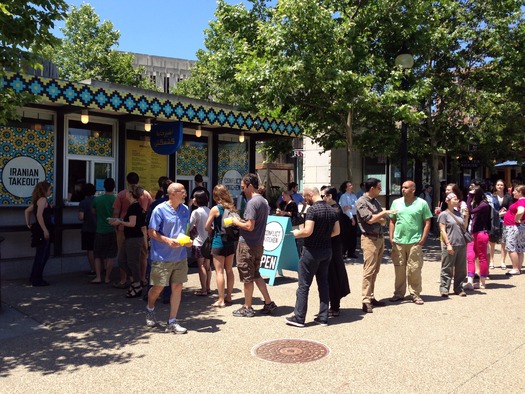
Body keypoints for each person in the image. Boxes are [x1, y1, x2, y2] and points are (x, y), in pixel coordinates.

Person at [285, 186, 340, 327]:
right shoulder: (331, 209)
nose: (304, 199)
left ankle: (299, 317)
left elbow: (308, 231)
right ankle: (323, 317)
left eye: (305, 196)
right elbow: (336, 231)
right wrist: (323, 236)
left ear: (310, 195)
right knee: (323, 284)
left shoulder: (312, 210)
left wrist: (297, 233)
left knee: (303, 285)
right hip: (327, 250)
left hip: (311, 251)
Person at [146, 182, 191, 334]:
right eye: (182, 191)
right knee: (158, 288)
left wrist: (188, 240)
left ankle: (172, 321)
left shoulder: (185, 210)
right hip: (162, 257)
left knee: (177, 287)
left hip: (180, 256)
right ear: (172, 193)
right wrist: (167, 240)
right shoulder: (159, 210)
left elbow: (185, 230)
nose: (185, 194)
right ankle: (150, 308)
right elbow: (151, 232)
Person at [231, 173, 277, 317]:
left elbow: (250, 226)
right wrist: (242, 221)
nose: (242, 190)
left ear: (250, 186)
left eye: (243, 187)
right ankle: (268, 302)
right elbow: (254, 224)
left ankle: (247, 307)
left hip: (248, 245)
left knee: (247, 277)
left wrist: (236, 222)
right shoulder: (263, 201)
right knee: (256, 274)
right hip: (258, 244)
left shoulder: (251, 203)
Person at [356, 178, 397, 313]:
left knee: (375, 270)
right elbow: (370, 219)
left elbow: (382, 221)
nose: (381, 190)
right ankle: (366, 300)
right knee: (369, 270)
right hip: (369, 239)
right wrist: (383, 214)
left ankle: (371, 296)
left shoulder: (375, 202)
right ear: (372, 188)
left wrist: (379, 217)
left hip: (379, 238)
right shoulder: (362, 202)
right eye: (379, 187)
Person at [389, 180, 433, 305]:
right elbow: (392, 220)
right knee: (399, 269)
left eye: (406, 187)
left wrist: (423, 238)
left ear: (413, 189)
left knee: (414, 269)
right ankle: (398, 293)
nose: (403, 189)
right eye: (402, 187)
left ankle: (415, 294)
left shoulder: (422, 203)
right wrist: (391, 236)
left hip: (415, 241)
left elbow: (427, 221)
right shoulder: (396, 203)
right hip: (398, 241)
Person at [112, 172, 152, 289]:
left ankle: (124, 280)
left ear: (127, 181)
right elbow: (149, 212)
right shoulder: (146, 194)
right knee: (143, 254)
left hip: (124, 228)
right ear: (138, 181)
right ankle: (143, 278)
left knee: (123, 254)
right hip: (142, 229)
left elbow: (115, 212)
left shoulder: (122, 194)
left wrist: (116, 224)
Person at [109, 185, 146, 298]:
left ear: (130, 193)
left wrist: (119, 222)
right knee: (122, 260)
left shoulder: (134, 207)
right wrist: (119, 220)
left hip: (134, 238)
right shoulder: (133, 206)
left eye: (127, 191)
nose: (125, 193)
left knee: (132, 262)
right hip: (130, 237)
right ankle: (134, 281)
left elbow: (132, 224)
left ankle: (137, 284)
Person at [205, 185, 236, 307]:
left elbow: (207, 226)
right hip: (230, 242)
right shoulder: (232, 208)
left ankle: (221, 299)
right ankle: (229, 296)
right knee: (229, 270)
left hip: (219, 242)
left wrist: (212, 231)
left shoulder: (215, 209)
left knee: (219, 271)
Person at [322, 186, 350, 317]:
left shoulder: (336, 211)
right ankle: (333, 305)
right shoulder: (333, 209)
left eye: (324, 196)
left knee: (333, 276)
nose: (322, 198)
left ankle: (335, 306)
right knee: (331, 276)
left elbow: (336, 232)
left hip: (334, 247)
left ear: (330, 196)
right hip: (334, 247)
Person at [437, 193, 467, 297]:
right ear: (448, 201)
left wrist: (466, 217)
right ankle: (444, 288)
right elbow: (442, 230)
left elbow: (464, 227)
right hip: (451, 244)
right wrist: (448, 244)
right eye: (454, 199)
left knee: (461, 268)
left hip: (461, 244)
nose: (457, 200)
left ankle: (458, 288)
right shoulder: (443, 214)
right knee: (447, 267)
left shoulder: (459, 213)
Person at [24, 181, 54, 286]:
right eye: (50, 189)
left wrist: (28, 223)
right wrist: (45, 229)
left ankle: (36, 277)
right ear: (45, 190)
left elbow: (27, 211)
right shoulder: (42, 200)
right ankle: (36, 278)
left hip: (42, 229)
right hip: (42, 230)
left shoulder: (39, 200)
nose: (51, 191)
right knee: (41, 255)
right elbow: (39, 215)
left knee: (44, 254)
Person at [464, 187, 492, 290]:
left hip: (481, 233)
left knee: (482, 257)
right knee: (470, 256)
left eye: (473, 195)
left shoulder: (484, 205)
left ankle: (482, 282)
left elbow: (469, 211)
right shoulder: (480, 204)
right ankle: (470, 281)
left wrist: (469, 198)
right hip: (474, 233)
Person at [91, 178, 117, 284]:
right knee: (110, 255)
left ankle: (98, 277)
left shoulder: (97, 199)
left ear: (104, 186)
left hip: (100, 229)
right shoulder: (116, 199)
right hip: (112, 230)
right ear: (114, 187)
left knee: (97, 255)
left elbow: (93, 212)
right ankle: (107, 277)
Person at [189, 190, 212, 297]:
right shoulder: (210, 210)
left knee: (201, 266)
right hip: (209, 241)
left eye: (194, 198)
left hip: (199, 242)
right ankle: (208, 287)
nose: (193, 199)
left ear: (197, 200)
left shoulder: (196, 212)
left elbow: (189, 226)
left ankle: (203, 289)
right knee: (207, 265)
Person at [503, 185, 525, 276]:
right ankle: (518, 268)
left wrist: (516, 219)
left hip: (513, 227)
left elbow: (521, 211)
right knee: (519, 248)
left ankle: (515, 268)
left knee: (512, 248)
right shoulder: (522, 201)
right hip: (518, 226)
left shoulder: (521, 201)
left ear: (520, 192)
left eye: (515, 191)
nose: (513, 192)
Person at [490, 179, 512, 269]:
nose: (500, 186)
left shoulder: (508, 196)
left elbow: (511, 208)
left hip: (505, 220)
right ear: (495, 186)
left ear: (504, 186)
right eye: (498, 185)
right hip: (494, 220)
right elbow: (489, 208)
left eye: (501, 185)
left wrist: (505, 213)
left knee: (504, 241)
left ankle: (503, 261)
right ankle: (491, 261)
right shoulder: (492, 196)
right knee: (492, 241)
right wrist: (497, 214)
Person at [78, 183, 97, 276]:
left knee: (90, 250)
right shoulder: (97, 201)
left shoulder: (83, 203)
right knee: (99, 250)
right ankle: (102, 269)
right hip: (98, 228)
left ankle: (93, 269)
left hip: (87, 228)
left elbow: (81, 217)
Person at [339, 180, 358, 259]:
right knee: (345, 235)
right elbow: (345, 209)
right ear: (346, 188)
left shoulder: (354, 196)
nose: (351, 186)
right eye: (349, 185)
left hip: (354, 215)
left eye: (351, 185)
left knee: (353, 236)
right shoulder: (343, 196)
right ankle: (343, 252)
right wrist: (351, 218)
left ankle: (351, 252)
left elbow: (357, 205)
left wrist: (350, 206)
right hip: (347, 217)